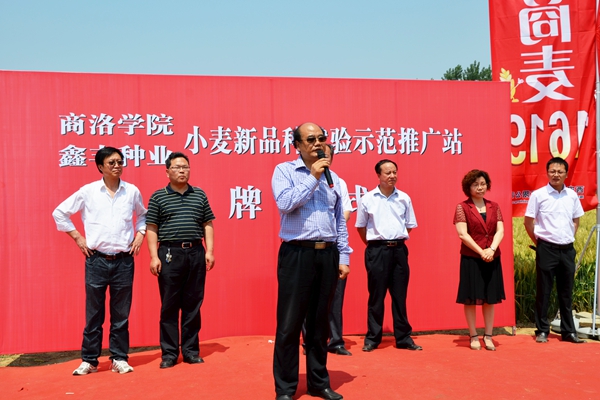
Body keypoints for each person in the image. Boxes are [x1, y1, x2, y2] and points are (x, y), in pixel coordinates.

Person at [272, 123, 351, 400]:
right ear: (297, 145)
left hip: (327, 254)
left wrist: (343, 256)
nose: (318, 143)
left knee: (320, 324)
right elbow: (285, 204)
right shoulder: (285, 171)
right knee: (289, 324)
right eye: (310, 139)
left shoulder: (334, 177)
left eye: (321, 138)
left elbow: (339, 220)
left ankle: (319, 382)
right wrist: (313, 177)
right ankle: (285, 388)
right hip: (297, 254)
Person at [52, 146, 147, 375]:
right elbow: (59, 212)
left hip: (124, 261)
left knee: (121, 314)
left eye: (120, 162)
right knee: (94, 313)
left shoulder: (131, 191)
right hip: (96, 260)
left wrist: (140, 234)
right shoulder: (88, 191)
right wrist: (78, 237)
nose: (117, 166)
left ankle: (119, 358)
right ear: (100, 167)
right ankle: (90, 360)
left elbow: (143, 215)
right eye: (112, 162)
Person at [146, 152, 216, 369]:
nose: (182, 171)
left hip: (195, 253)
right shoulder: (158, 197)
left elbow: (207, 224)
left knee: (193, 304)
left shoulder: (199, 194)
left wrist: (210, 251)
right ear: (167, 171)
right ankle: (169, 353)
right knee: (169, 305)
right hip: (169, 254)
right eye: (177, 167)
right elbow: (151, 227)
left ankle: (191, 351)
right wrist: (154, 256)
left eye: (185, 167)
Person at [356, 159, 421, 352]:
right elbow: (360, 227)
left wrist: (395, 239)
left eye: (394, 172)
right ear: (378, 175)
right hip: (377, 250)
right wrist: (374, 244)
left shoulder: (404, 198)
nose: (392, 176)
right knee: (376, 296)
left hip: (399, 250)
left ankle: (403, 338)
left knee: (400, 296)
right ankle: (372, 338)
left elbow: (409, 225)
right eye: (388, 173)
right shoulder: (368, 199)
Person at [524, 157, 585, 344]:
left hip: (567, 250)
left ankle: (568, 332)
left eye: (560, 171)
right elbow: (528, 222)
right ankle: (542, 330)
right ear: (547, 173)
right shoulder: (538, 195)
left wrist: (568, 237)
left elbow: (576, 219)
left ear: (566, 174)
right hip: (546, 249)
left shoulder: (572, 195)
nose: (556, 175)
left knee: (566, 292)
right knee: (544, 291)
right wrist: (540, 242)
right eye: (552, 171)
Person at [301, 144, 353, 357]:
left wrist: (332, 225)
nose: (325, 159)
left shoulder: (337, 181)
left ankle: (336, 341)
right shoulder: (302, 178)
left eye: (328, 156)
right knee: (307, 299)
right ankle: (309, 342)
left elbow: (344, 212)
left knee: (335, 298)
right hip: (306, 247)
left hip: (332, 245)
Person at [453, 170, 505, 351]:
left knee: (490, 298)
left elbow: (500, 230)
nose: (480, 187)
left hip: (492, 257)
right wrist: (481, 251)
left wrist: (491, 249)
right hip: (472, 258)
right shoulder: (462, 207)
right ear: (468, 187)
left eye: (483, 184)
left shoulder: (494, 206)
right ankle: (473, 335)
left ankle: (488, 335)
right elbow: (462, 234)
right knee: (470, 298)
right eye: (475, 184)